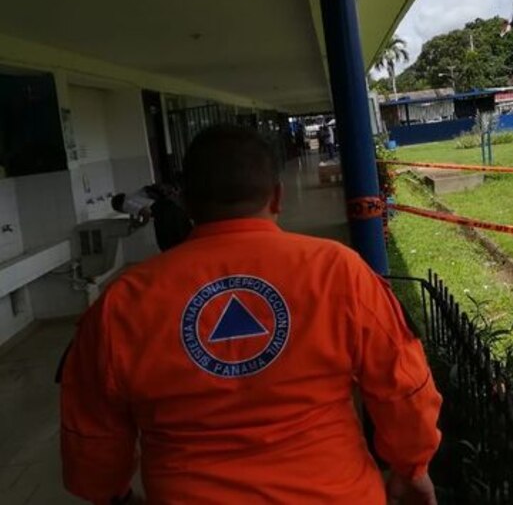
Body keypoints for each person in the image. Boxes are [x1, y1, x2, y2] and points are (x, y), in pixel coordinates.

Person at [60, 125, 442, 504]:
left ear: (187, 203)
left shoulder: (123, 302)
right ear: (277, 197)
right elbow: (402, 385)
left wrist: (112, 494)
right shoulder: (338, 270)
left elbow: (90, 430)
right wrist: (412, 467)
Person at [111, 183, 193, 252]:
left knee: (168, 244)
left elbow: (146, 211)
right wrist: (133, 219)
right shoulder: (131, 196)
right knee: (183, 235)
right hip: (170, 207)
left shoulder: (125, 204)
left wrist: (141, 224)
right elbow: (136, 209)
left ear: (119, 207)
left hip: (163, 214)